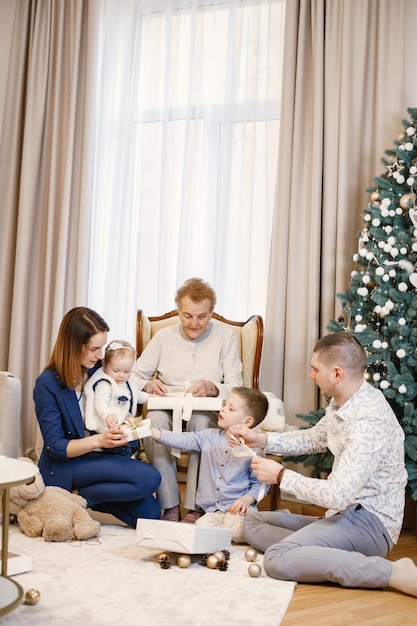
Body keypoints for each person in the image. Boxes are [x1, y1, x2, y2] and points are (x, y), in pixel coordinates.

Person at [227, 331, 417, 598]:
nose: (311, 375)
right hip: (344, 515)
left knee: (277, 559)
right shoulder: (342, 402)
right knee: (253, 522)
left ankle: (393, 573)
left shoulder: (368, 421)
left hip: (370, 524)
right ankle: (313, 550)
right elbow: (314, 438)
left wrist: (281, 476)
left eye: (315, 369)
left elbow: (338, 494)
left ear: (337, 374)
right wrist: (260, 439)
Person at [33, 307, 161, 528]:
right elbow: (55, 446)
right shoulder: (47, 383)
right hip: (68, 464)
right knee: (149, 478)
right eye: (94, 349)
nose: (101, 356)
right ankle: (78, 494)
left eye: (102, 347)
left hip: (100, 457)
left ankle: (79, 496)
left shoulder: (97, 371)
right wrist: (100, 441)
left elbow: (124, 381)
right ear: (74, 346)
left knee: (150, 515)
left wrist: (145, 385)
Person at [132, 277, 243, 523]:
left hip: (204, 407)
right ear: (179, 312)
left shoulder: (226, 337)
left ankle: (196, 507)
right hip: (167, 404)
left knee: (203, 425)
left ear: (212, 313)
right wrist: (147, 384)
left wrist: (213, 387)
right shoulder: (163, 337)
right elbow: (134, 376)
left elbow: (237, 386)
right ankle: (169, 504)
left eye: (201, 316)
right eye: (187, 316)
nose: (194, 324)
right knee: (153, 423)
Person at [145, 387, 268, 541]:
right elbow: (182, 440)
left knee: (239, 530)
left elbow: (261, 483)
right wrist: (154, 432)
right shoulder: (209, 436)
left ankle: (242, 529)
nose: (222, 409)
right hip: (212, 513)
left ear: (247, 421)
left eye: (230, 408)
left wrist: (246, 500)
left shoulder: (254, 449)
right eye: (225, 405)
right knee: (201, 526)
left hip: (238, 508)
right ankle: (224, 533)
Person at [84, 340, 148, 457]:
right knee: (123, 448)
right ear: (104, 365)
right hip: (105, 430)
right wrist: (107, 415)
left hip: (122, 426)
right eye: (116, 370)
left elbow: (136, 395)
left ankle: (123, 460)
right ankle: (120, 464)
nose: (121, 375)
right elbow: (100, 403)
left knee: (134, 443)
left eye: (126, 371)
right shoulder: (105, 384)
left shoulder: (128, 381)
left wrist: (149, 397)